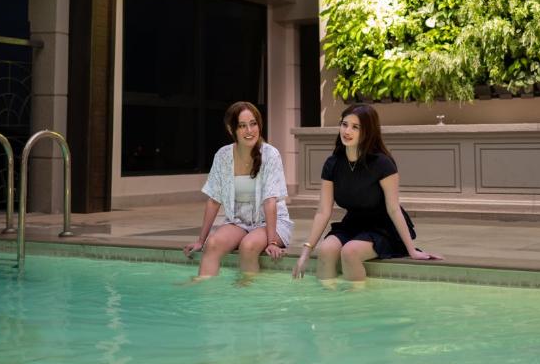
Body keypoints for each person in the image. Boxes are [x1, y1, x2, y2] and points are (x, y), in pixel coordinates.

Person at [291, 103, 441, 287]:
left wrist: (412, 250)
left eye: (355, 127)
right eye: (344, 124)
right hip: (353, 224)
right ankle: (327, 306)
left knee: (350, 252)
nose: (347, 131)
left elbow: (393, 209)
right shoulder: (333, 164)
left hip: (383, 227)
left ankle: (357, 308)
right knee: (326, 250)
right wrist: (306, 251)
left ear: (367, 132)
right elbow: (323, 211)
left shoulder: (383, 164)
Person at [183, 101, 293, 279]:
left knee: (248, 246)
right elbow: (213, 200)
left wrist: (272, 241)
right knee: (213, 244)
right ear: (231, 129)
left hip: (271, 223)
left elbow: (270, 201)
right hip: (238, 221)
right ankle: (202, 292)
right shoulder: (223, 156)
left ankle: (246, 294)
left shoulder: (270, 154)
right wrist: (200, 241)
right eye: (242, 126)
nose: (249, 131)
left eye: (253, 124)